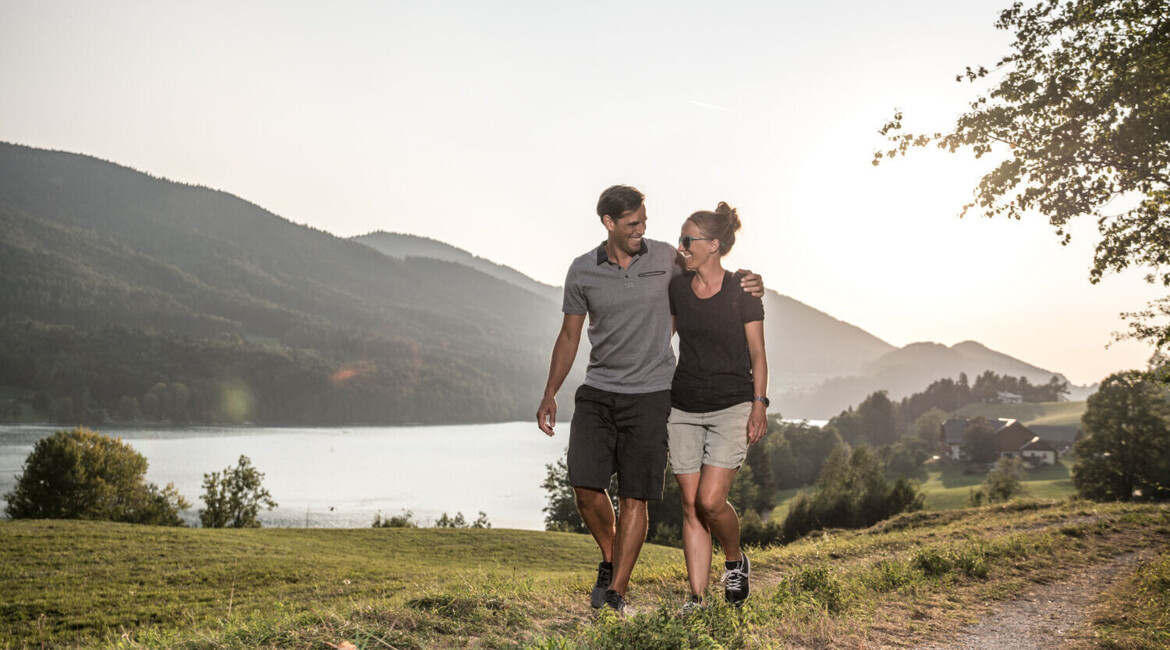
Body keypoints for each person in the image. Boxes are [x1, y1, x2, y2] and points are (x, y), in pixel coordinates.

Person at [536, 185, 763, 615]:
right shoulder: (582, 270)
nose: (642, 229)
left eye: (644, 220)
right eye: (632, 224)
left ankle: (616, 592)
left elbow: (713, 268)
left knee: (636, 496)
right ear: (609, 223)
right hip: (598, 390)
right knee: (585, 486)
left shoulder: (665, 257)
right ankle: (611, 557)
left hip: (653, 393)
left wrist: (754, 281)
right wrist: (550, 392)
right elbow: (569, 336)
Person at [668, 202, 768, 614]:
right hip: (683, 406)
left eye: (688, 240)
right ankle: (697, 598)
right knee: (690, 506)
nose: (681, 247)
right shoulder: (677, 288)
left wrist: (759, 404)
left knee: (711, 501)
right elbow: (661, 339)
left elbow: (758, 353)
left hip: (732, 405)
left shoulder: (742, 289)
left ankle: (734, 559)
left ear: (712, 245)